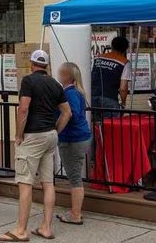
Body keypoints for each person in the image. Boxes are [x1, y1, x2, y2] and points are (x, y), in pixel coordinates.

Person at [0, 50, 71, 242]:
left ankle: (21, 230)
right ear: (46, 65)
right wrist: (55, 130)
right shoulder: (55, 84)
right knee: (48, 183)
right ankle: (46, 227)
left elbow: (23, 109)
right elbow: (67, 113)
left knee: (25, 183)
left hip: (32, 135)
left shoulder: (28, 81)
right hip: (50, 135)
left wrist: (18, 134)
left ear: (31, 64)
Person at [56, 62, 91, 225]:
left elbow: (70, 114)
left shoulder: (69, 94)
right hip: (79, 137)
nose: (59, 75)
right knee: (74, 175)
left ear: (67, 76)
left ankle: (76, 213)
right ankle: (74, 211)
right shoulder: (77, 92)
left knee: (75, 177)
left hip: (73, 138)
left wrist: (57, 129)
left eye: (61, 73)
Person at [90, 36, 131, 112]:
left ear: (112, 46)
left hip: (92, 97)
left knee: (93, 119)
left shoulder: (97, 58)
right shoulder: (124, 62)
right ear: (125, 49)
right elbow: (123, 88)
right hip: (110, 99)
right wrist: (123, 103)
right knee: (112, 120)